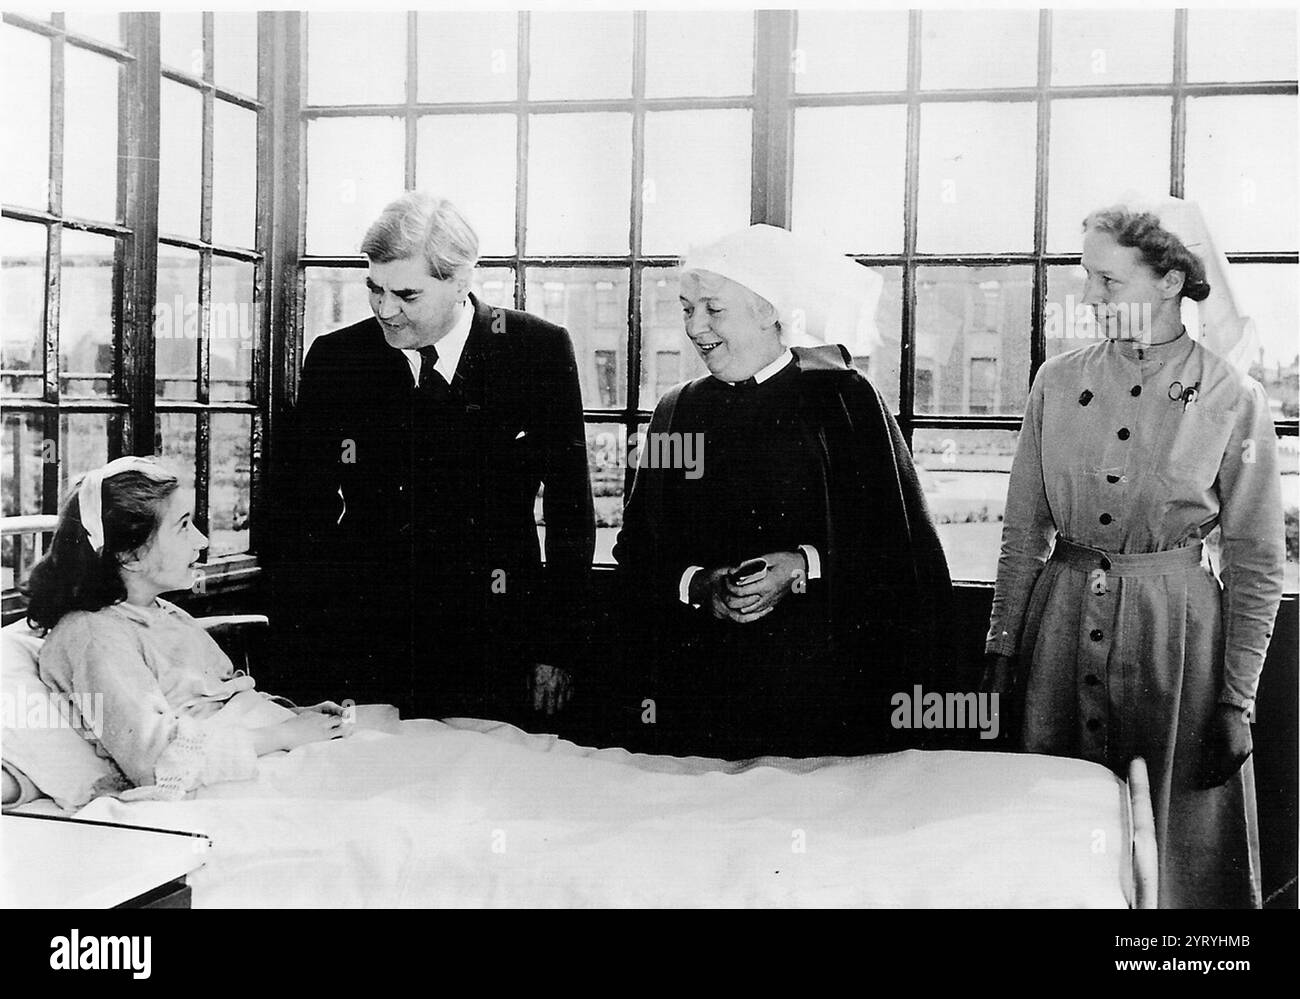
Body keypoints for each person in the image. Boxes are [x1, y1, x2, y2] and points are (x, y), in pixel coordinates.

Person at [983, 200, 1285, 908]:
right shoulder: (1055, 382)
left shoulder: (1233, 399)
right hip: (1056, 643)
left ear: (1171, 278)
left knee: (1174, 861)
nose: (1088, 299)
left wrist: (1237, 700)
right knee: (1055, 850)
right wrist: (1001, 650)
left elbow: (1257, 560)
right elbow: (1024, 532)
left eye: (1108, 282)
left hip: (1175, 649)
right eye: (1086, 278)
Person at [612, 224, 953, 759]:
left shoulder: (842, 401)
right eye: (685, 309)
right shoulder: (676, 413)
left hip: (825, 702)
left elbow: (902, 552)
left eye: (713, 309)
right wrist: (699, 584)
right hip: (701, 706)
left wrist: (803, 564)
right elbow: (636, 549)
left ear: (769, 311)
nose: (695, 328)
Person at [269, 193, 594, 725]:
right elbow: (299, 510)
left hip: (496, 640)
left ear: (461, 282)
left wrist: (558, 648)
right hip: (367, 646)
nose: (384, 309)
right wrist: (311, 644)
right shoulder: (337, 359)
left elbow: (571, 513)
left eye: (407, 294)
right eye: (374, 287)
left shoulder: (536, 351)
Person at [19, 457, 349, 802]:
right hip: (219, 787)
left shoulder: (161, 612)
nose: (202, 540)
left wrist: (296, 716)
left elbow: (217, 698)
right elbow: (158, 763)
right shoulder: (94, 637)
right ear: (129, 556)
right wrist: (284, 734)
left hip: (266, 752)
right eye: (183, 525)